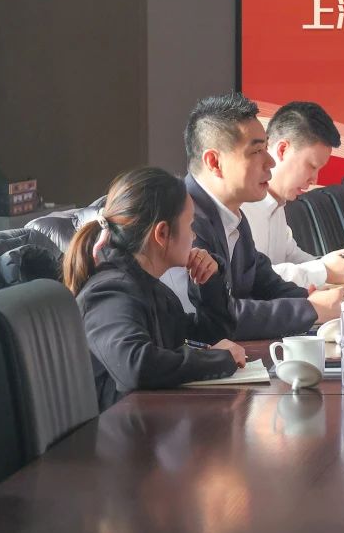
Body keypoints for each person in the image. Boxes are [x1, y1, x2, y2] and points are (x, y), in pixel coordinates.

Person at [66, 167, 246, 410]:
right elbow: (135, 364)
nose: (193, 236)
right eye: (190, 225)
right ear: (162, 233)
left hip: (147, 421)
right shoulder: (110, 291)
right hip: (115, 430)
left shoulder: (152, 288)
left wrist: (210, 282)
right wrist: (216, 359)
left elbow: (211, 337)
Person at [170, 93, 344, 340]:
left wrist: (311, 299)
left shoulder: (234, 215)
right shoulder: (183, 220)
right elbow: (213, 317)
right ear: (214, 162)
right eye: (257, 151)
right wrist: (311, 309)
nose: (270, 161)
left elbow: (264, 281)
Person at [240, 101, 344, 287]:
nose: (314, 179)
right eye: (311, 166)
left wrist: (335, 265)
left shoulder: (276, 203)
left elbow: (290, 255)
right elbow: (253, 278)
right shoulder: (241, 206)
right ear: (282, 150)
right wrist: (324, 271)